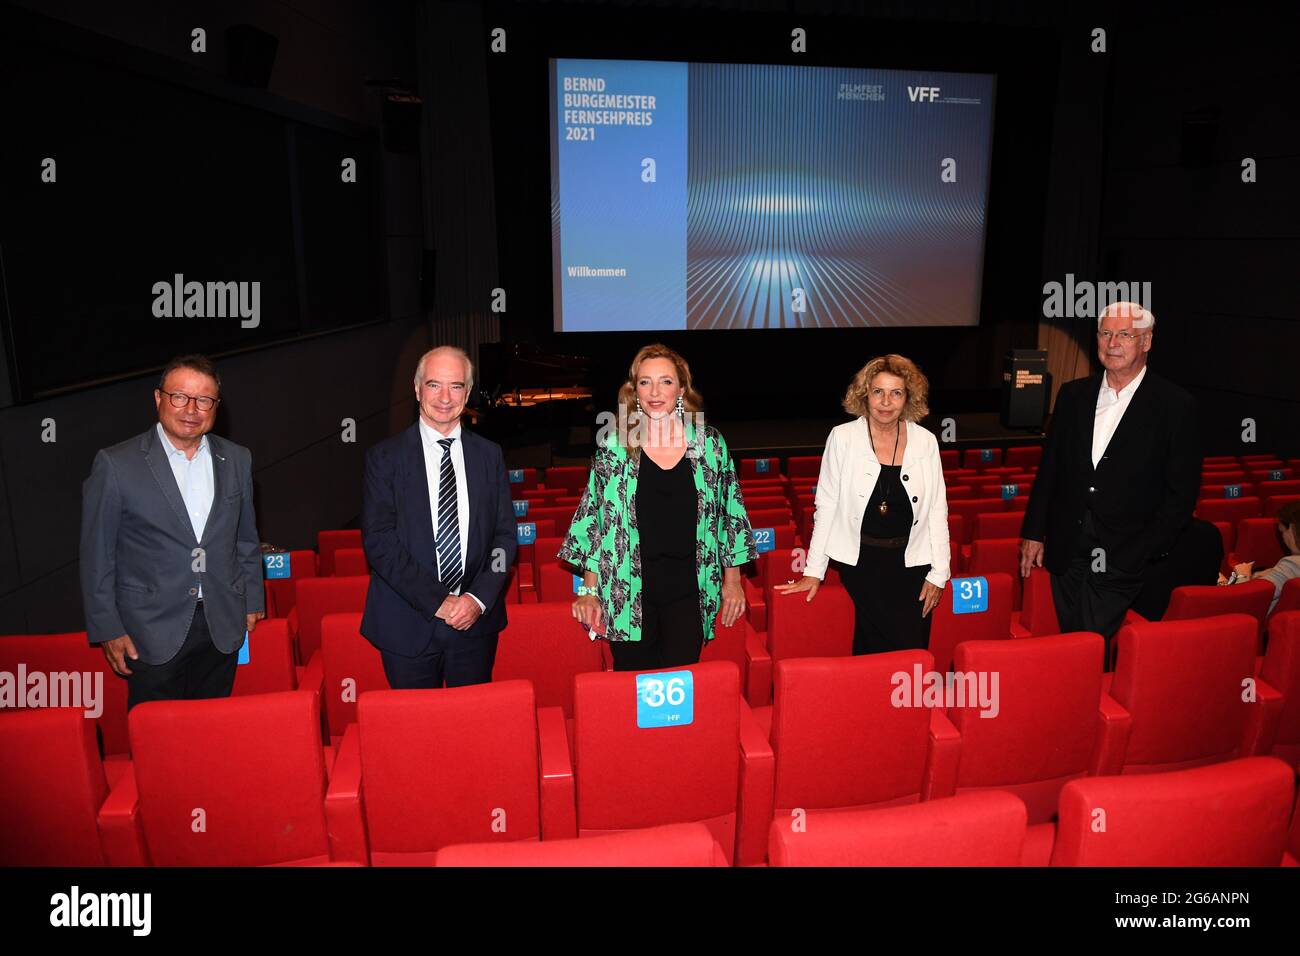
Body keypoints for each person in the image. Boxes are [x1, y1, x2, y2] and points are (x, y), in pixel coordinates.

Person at [80, 354, 264, 709]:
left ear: (216, 406)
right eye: (180, 396)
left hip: (221, 623)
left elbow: (245, 538)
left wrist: (253, 600)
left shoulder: (237, 459)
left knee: (211, 729)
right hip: (148, 629)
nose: (191, 409)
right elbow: (96, 556)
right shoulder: (116, 465)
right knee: (159, 741)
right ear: (158, 398)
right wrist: (108, 628)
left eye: (204, 399)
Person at [560, 344, 755, 671]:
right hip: (627, 591)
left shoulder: (709, 444)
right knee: (634, 690)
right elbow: (596, 523)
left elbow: (729, 515)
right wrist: (589, 590)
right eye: (645, 382)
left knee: (678, 691)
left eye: (665, 382)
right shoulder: (615, 445)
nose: (654, 392)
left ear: (681, 388)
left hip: (690, 590)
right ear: (633, 390)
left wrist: (732, 581)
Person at [1020, 302, 1200, 644]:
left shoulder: (1176, 406)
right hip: (1067, 548)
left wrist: (1146, 549)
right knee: (1075, 635)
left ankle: (1076, 695)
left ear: (1146, 342)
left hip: (1124, 555)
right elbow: (1051, 469)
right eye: (1105, 333)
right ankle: (1084, 695)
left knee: (1087, 639)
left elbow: (1182, 492)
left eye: (1124, 335)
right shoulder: (1073, 395)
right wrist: (1034, 531)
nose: (1112, 342)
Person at [360, 346, 517, 688]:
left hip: (475, 626)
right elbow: (379, 542)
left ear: (468, 392)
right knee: (415, 735)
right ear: (417, 389)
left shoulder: (489, 455)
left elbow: (504, 538)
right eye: (434, 385)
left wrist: (477, 600)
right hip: (406, 624)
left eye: (456, 386)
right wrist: (439, 602)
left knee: (472, 730)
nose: (445, 397)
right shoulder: (384, 458)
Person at [776, 356, 949, 655]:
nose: (886, 401)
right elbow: (826, 505)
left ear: (908, 398)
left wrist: (939, 573)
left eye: (896, 393)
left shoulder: (926, 441)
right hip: (863, 565)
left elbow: (937, 509)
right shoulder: (842, 438)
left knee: (911, 652)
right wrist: (814, 570)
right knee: (872, 651)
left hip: (913, 566)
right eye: (877, 392)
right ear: (864, 395)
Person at [1251, 501, 1300, 614]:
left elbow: (1253, 596)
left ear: (1292, 529)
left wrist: (1243, 575)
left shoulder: (1291, 564)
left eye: (1282, 532)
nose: (1283, 538)